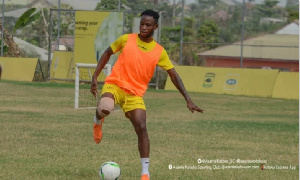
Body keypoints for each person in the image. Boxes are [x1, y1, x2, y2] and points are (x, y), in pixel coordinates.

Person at [90, 9, 204, 180]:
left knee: (142, 127)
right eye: (142, 24)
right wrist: (94, 76)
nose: (144, 27)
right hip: (115, 85)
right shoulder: (126, 39)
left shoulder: (159, 51)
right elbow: (107, 53)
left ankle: (145, 172)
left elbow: (174, 75)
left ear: (155, 27)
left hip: (135, 94)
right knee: (106, 107)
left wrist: (188, 99)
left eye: (148, 25)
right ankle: (97, 120)